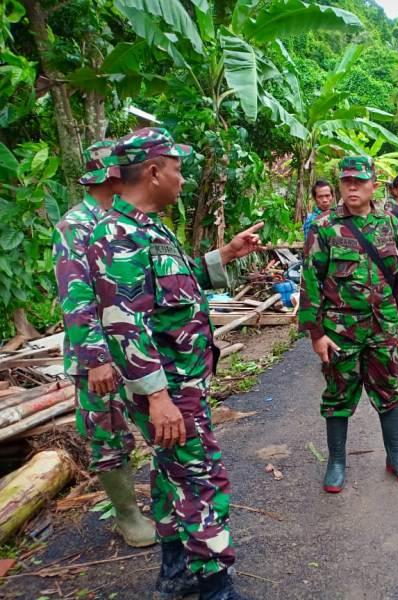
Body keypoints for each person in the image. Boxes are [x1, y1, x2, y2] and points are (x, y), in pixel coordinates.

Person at [87, 128, 265, 599]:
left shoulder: (147, 226)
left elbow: (174, 286)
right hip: (166, 389)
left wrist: (224, 254)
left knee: (170, 477)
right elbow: (126, 324)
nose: (182, 179)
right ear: (153, 171)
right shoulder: (118, 235)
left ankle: (175, 572)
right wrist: (160, 398)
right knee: (201, 478)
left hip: (179, 385)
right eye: (178, 169)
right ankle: (214, 587)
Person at [52, 141, 156, 549]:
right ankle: (128, 516)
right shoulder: (76, 225)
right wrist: (95, 358)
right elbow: (75, 296)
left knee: (152, 423)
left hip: (132, 346)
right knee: (108, 435)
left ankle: (160, 504)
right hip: (97, 354)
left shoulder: (121, 220)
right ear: (111, 176)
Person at [299, 155, 398, 494]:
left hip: (384, 327)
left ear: (373, 186)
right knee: (337, 395)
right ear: (339, 185)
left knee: (389, 392)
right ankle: (336, 462)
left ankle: (396, 457)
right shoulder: (325, 226)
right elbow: (310, 282)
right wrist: (316, 333)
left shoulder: (391, 223)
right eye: (346, 181)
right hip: (341, 331)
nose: (352, 186)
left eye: (360, 181)